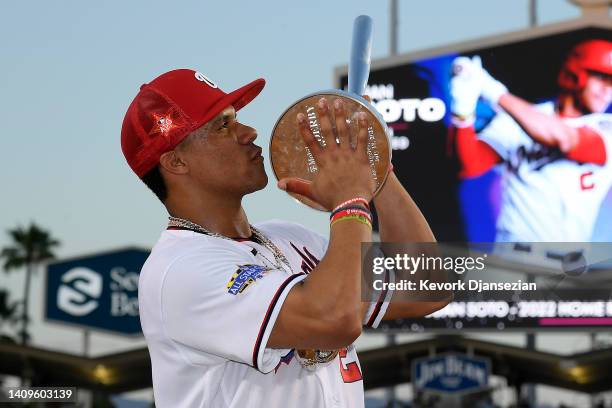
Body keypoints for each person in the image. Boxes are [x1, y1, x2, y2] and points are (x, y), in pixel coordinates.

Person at [121, 68, 450, 407]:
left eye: (237, 119)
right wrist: (350, 201)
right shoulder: (179, 270)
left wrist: (373, 163)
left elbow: (426, 287)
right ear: (176, 161)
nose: (248, 132)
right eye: (223, 125)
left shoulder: (290, 236)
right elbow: (333, 320)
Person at [450, 39, 612, 242]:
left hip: (570, 265)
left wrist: (494, 92)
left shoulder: (607, 127)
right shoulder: (520, 119)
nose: (608, 90)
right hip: (513, 257)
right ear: (575, 75)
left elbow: (566, 139)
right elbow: (470, 166)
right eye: (601, 77)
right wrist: (462, 112)